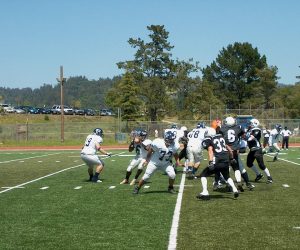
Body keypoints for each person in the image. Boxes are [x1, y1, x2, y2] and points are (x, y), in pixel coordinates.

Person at [196, 120, 239, 200]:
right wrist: (232, 158)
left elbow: (210, 150)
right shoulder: (221, 137)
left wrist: (210, 162)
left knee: (203, 175)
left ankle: (205, 192)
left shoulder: (208, 140)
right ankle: (235, 189)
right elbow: (229, 149)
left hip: (217, 160)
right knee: (227, 176)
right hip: (226, 160)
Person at [133, 130, 180, 194]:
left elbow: (175, 153)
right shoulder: (158, 142)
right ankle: (137, 187)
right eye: (169, 139)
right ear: (165, 138)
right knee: (146, 177)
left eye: (172, 140)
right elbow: (150, 150)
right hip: (154, 163)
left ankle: (170, 188)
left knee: (172, 175)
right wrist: (147, 160)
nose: (171, 141)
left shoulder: (175, 145)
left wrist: (178, 161)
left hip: (165, 164)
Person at [220, 116, 255, 191]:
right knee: (237, 168)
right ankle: (240, 182)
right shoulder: (238, 127)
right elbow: (244, 135)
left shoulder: (222, 128)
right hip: (235, 150)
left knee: (227, 167)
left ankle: (227, 183)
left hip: (226, 150)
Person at [246, 119, 273, 183]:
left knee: (261, 165)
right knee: (249, 163)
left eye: (251, 123)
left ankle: (269, 178)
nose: (250, 124)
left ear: (254, 123)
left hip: (257, 150)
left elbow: (250, 138)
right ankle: (259, 175)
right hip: (252, 150)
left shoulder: (257, 130)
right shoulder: (250, 130)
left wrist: (245, 136)